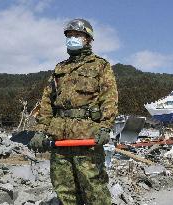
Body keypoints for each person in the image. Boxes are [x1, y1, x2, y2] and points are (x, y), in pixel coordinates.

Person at [29, 18, 118, 205]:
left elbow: (109, 98)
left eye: (77, 35)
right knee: (64, 188)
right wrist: (40, 131)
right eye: (69, 36)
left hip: (87, 136)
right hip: (60, 137)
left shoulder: (100, 65)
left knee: (94, 187)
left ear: (88, 39)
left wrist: (105, 127)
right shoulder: (59, 68)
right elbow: (47, 102)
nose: (72, 38)